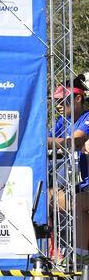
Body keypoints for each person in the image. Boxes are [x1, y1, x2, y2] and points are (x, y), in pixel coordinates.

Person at [48, 76, 89, 256]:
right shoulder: (63, 121)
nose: (57, 105)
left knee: (77, 203)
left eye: (61, 101)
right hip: (80, 185)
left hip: (85, 188)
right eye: (56, 101)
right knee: (44, 198)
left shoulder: (87, 118)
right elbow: (50, 140)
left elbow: (75, 141)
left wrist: (40, 141)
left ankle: (80, 256)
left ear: (78, 98)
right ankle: (53, 251)